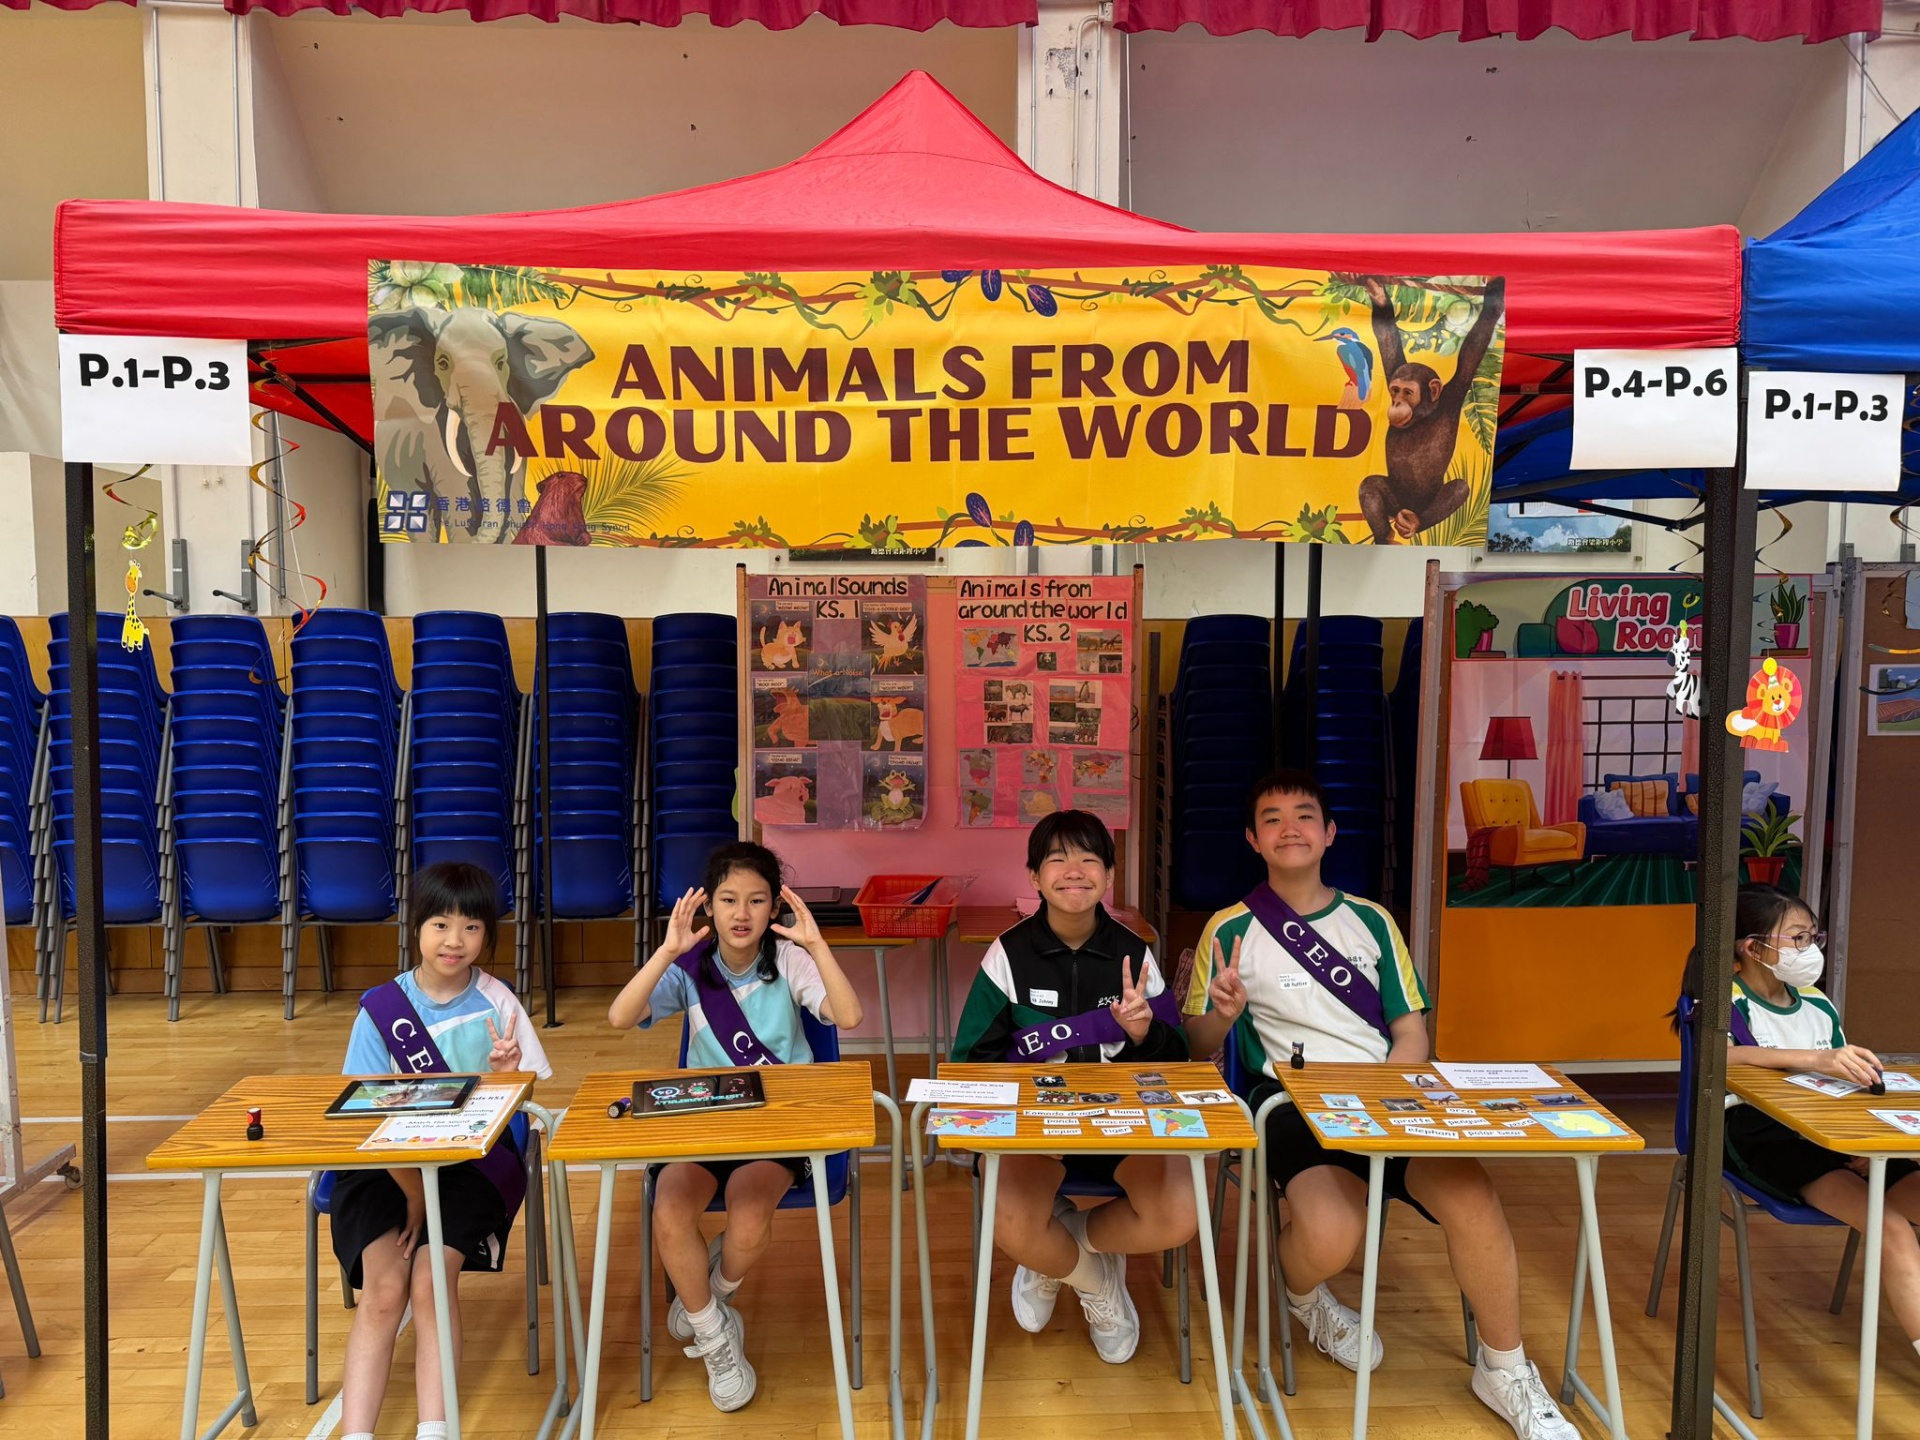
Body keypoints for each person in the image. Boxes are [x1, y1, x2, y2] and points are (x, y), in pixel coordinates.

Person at [1183, 769, 1577, 1440]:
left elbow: (1411, 1032)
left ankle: (1505, 1369)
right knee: (1332, 1235)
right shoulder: (1228, 928)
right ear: (1253, 839)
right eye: (1272, 818)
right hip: (1293, 1105)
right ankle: (1304, 1296)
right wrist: (1221, 1014)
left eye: (1304, 816)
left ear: (1330, 833)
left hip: (1388, 1097)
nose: (1289, 828)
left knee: (1474, 1199)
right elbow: (1198, 1047)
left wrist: (1387, 1097)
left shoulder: (1372, 921)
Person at [608, 840, 863, 1412]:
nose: (741, 913)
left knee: (747, 1221)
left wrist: (818, 945)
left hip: (776, 1128)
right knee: (669, 1211)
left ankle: (711, 1295)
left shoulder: (790, 959)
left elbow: (848, 1016)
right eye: (728, 899)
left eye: (756, 900)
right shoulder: (692, 966)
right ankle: (715, 1336)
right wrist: (666, 952)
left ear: (775, 907)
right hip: (702, 1124)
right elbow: (620, 1016)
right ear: (709, 907)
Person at [951, 809, 1193, 1363]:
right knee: (1012, 1225)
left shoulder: (1137, 953)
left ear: (1109, 876)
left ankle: (1057, 1251)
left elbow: (1176, 1060)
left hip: (1125, 1127)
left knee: (1178, 1215)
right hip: (1040, 1132)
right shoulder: (1007, 954)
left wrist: (1144, 1034)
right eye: (1057, 859)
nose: (1074, 870)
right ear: (1034, 877)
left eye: (1089, 858)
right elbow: (970, 1063)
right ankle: (1094, 1279)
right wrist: (1032, 1113)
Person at [335, 861, 553, 1440]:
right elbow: (366, 1115)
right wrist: (413, 1195)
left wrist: (507, 1077)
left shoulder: (498, 1001)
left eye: (471, 927)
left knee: (431, 1282)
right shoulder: (380, 1009)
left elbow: (523, 1106)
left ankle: (436, 1430)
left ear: (488, 934)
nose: (455, 941)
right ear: (415, 928)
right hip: (385, 1167)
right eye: (440, 925)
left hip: (469, 1168)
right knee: (384, 1291)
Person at [1678, 883, 1920, 1348]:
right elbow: (1716, 1056)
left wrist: (1868, 1145)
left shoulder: (1818, 1004)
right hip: (1763, 1138)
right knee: (1891, 1228)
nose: (1809, 949)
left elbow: (1848, 1084)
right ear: (1752, 948)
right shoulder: (1725, 998)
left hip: (1831, 1133)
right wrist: (1815, 1060)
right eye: (1798, 938)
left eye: (1813, 937)